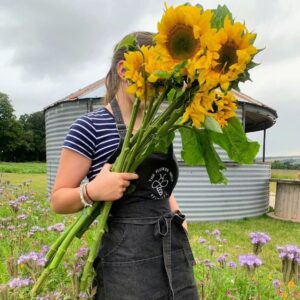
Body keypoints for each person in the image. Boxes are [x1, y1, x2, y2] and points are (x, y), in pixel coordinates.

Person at [51, 32, 199, 300]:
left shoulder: (161, 127)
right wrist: (91, 192)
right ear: (125, 70)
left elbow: (158, 184)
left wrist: (179, 214)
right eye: (157, 76)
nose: (163, 86)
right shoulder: (89, 127)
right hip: (126, 260)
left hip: (173, 251)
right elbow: (58, 199)